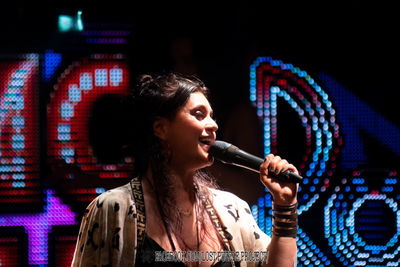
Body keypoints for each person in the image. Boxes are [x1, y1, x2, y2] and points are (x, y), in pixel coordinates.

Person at [71, 73, 299, 266]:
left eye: (212, 116)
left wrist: (285, 206)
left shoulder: (232, 209)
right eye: (199, 114)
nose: (213, 125)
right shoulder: (113, 209)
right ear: (160, 128)